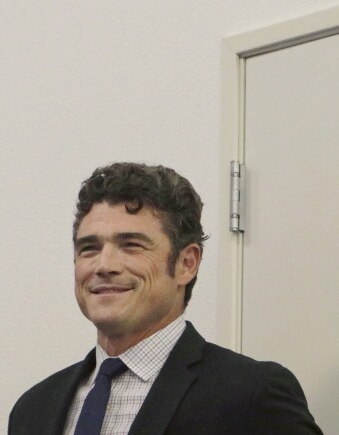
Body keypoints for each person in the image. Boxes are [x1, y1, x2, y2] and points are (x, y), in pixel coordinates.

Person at [9, 162, 322, 435]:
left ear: (187, 263)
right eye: (89, 248)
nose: (104, 265)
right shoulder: (33, 409)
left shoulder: (251, 396)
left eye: (131, 245)